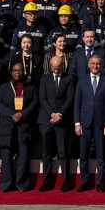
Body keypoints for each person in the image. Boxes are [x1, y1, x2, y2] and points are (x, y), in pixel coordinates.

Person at [74, 54, 105, 192]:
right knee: (83, 155)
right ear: (88, 65)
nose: (95, 66)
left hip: (101, 123)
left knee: (101, 156)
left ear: (101, 65)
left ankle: (100, 183)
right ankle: (84, 182)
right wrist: (77, 123)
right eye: (93, 63)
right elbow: (77, 103)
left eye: (98, 64)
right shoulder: (82, 81)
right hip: (84, 123)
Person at [0, 61, 38, 192]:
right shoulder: (3, 87)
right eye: (15, 70)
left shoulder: (30, 87)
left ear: (23, 72)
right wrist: (12, 114)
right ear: (11, 72)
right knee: (6, 157)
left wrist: (22, 114)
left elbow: (35, 102)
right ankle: (5, 184)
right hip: (7, 126)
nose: (17, 73)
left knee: (23, 156)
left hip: (23, 125)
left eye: (20, 70)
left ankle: (22, 184)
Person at [38, 55, 75, 192]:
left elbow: (70, 98)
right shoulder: (44, 78)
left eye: (58, 67)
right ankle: (46, 182)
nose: (55, 70)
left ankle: (65, 182)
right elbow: (42, 98)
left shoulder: (68, 78)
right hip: (46, 121)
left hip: (62, 121)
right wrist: (52, 114)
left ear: (62, 66)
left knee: (63, 153)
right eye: (53, 67)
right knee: (46, 153)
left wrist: (59, 114)